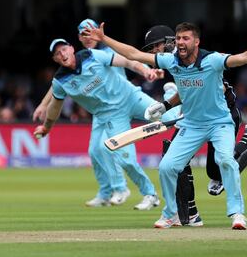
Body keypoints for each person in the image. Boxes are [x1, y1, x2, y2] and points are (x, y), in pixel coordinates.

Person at [84, 21, 247, 229]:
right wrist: (104, 39)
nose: (181, 42)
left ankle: (237, 213)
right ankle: (172, 214)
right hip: (192, 123)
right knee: (167, 166)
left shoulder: (212, 60)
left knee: (223, 162)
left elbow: (245, 57)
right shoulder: (171, 62)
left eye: (185, 38)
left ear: (196, 42)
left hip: (220, 121)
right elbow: (134, 55)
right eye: (179, 38)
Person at [33, 19, 167, 210]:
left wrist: (146, 71)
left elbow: (129, 60)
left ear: (71, 48)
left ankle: (173, 96)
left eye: (64, 49)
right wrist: (46, 124)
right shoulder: (61, 79)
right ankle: (143, 193)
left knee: (167, 115)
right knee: (114, 155)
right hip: (109, 114)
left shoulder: (95, 54)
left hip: (130, 96)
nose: (62, 54)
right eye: (57, 53)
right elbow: (55, 100)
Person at [143, 25, 247, 227]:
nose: (152, 52)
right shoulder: (173, 61)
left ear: (168, 42)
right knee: (171, 162)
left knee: (217, 171)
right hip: (195, 119)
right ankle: (186, 214)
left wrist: (186, 106)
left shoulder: (202, 57)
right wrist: (166, 105)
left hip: (223, 113)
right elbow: (188, 91)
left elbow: (208, 85)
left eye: (154, 46)